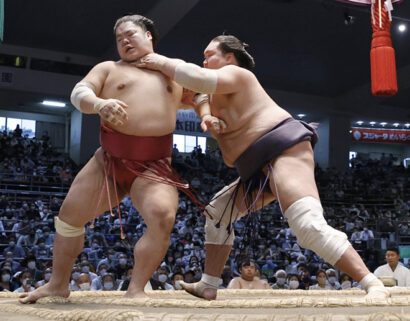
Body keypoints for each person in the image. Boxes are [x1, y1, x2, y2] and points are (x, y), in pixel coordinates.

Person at [136, 34, 389, 299]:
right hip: (255, 170)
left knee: (307, 225)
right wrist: (207, 114)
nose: (204, 60)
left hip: (283, 149)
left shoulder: (238, 75)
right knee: (217, 213)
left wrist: (159, 60)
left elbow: (197, 78)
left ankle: (372, 283)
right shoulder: (211, 98)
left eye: (209, 55)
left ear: (229, 57)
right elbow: (194, 95)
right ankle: (209, 285)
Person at [19, 14, 219, 304]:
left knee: (163, 216)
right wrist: (100, 103)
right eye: (119, 38)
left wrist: (205, 114)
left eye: (130, 34)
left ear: (149, 35)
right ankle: (57, 284)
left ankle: (136, 288)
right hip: (108, 162)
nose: (124, 41)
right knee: (67, 221)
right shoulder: (108, 68)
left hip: (154, 167)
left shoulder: (172, 70)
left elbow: (200, 93)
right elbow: (79, 93)